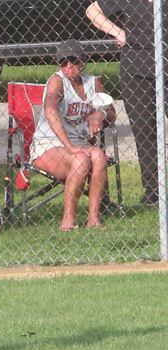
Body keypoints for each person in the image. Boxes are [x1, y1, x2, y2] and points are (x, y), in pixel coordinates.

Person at [30, 39, 117, 230]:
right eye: (63, 61)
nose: (68, 65)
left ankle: (94, 219)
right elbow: (50, 110)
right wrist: (69, 146)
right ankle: (68, 221)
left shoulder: (93, 83)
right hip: (49, 143)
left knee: (99, 156)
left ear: (83, 60)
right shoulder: (57, 81)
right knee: (81, 160)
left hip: (80, 144)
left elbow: (112, 113)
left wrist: (99, 114)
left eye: (73, 60)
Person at [87, 0, 165, 205]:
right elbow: (92, 11)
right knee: (144, 129)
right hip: (136, 70)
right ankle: (153, 189)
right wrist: (119, 33)